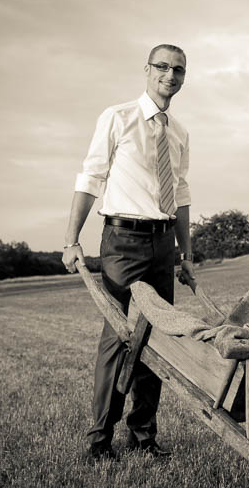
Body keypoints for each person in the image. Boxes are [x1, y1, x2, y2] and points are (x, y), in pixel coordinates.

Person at [62, 44, 197, 461]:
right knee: (118, 337)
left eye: (178, 69)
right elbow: (91, 178)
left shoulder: (179, 132)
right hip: (122, 242)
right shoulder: (117, 117)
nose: (169, 75)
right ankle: (99, 439)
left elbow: (182, 192)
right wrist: (71, 240)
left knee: (156, 337)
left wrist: (185, 253)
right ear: (147, 70)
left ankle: (143, 435)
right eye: (162, 66)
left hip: (161, 244)